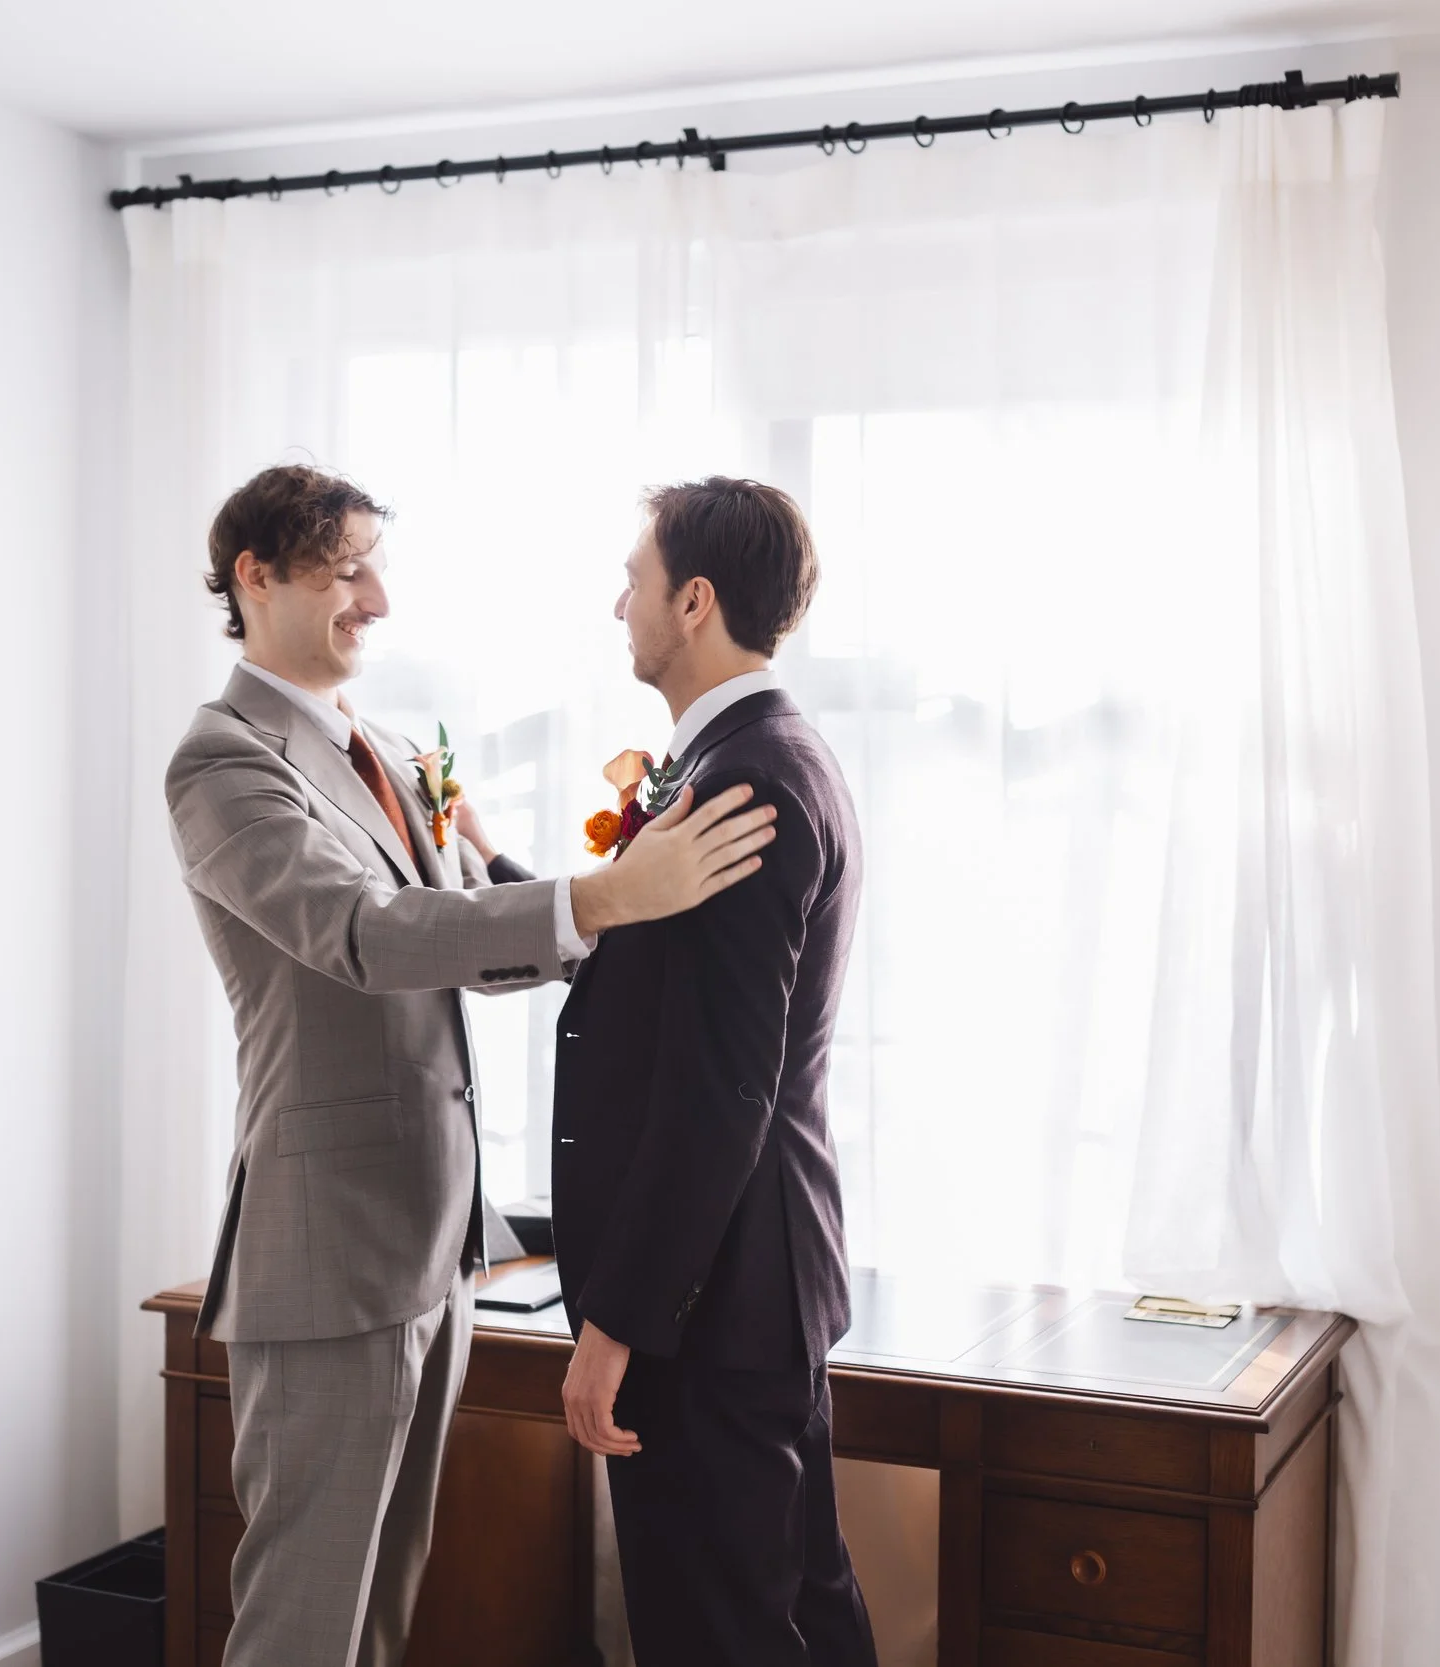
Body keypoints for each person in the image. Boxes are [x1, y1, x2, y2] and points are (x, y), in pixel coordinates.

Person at [163, 462, 778, 1667]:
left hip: (438, 1241)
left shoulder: (394, 750)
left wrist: (620, 911)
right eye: (348, 572)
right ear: (256, 576)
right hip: (327, 1249)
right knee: (303, 1620)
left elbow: (474, 933)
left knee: (383, 1605)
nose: (377, 601)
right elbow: (365, 935)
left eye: (376, 570)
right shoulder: (222, 763)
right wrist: (606, 893)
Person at [552, 476, 878, 1667]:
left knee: (722, 1632)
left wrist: (618, 1323)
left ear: (692, 601)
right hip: (746, 1282)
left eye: (632, 580)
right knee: (795, 1609)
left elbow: (720, 1088)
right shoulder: (763, 753)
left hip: (711, 1302)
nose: (618, 605)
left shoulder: (745, 782)